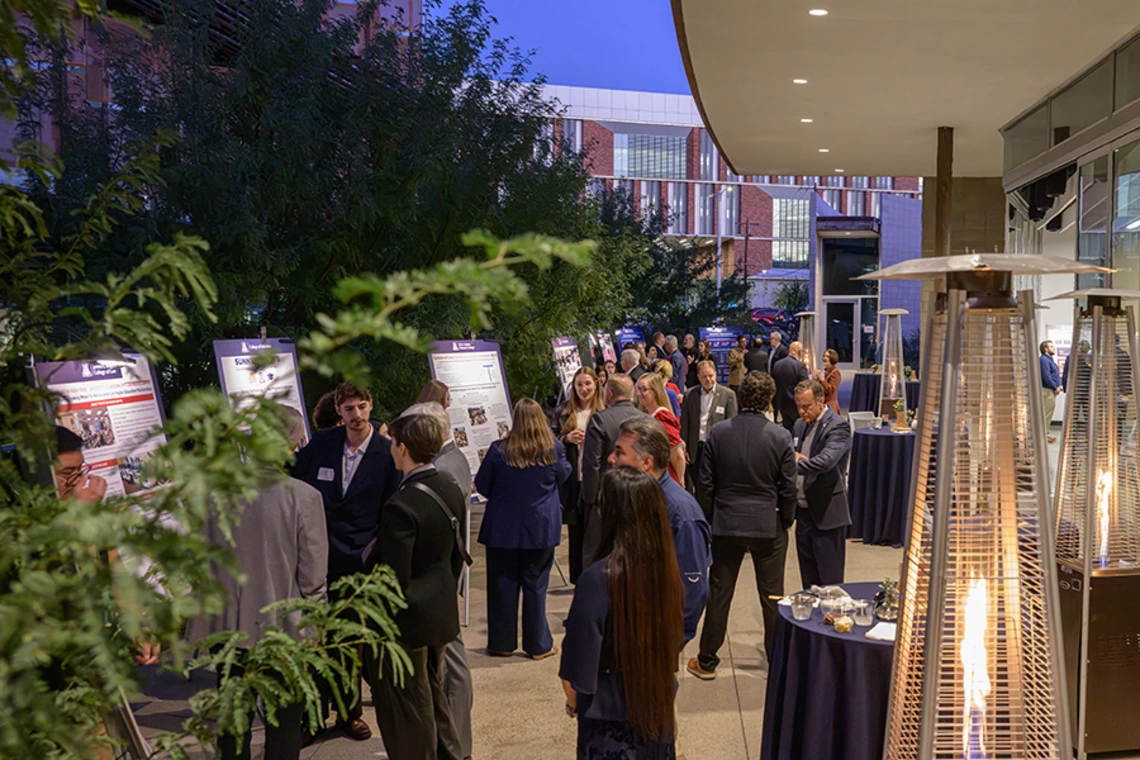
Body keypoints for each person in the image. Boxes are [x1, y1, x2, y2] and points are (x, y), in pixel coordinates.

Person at [203, 406, 327, 760]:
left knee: (233, 721)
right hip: (285, 629)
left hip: (230, 625)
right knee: (285, 722)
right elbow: (313, 575)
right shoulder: (305, 497)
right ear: (294, 443)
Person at [291, 381, 399, 741]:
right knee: (311, 639)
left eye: (363, 407)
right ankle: (311, 717)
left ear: (371, 406)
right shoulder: (321, 445)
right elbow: (293, 483)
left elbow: (391, 509)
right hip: (314, 557)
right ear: (338, 410)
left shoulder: (386, 453)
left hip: (359, 563)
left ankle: (349, 713)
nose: (357, 415)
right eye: (349, 408)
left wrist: (376, 554)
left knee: (350, 642)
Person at [559, 467, 684, 759]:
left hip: (608, 721)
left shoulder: (597, 578)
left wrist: (573, 703)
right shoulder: (666, 571)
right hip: (657, 709)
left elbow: (577, 664)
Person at [368, 413, 467, 760]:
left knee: (410, 708)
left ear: (402, 448)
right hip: (440, 609)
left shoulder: (402, 504)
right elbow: (457, 551)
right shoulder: (449, 484)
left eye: (393, 442)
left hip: (408, 622)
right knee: (433, 693)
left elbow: (393, 579)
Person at [689, 372, 797, 678]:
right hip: (768, 524)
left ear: (742, 395)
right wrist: (785, 521)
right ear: (769, 400)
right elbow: (788, 488)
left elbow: (705, 485)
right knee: (772, 597)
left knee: (719, 593)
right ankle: (777, 664)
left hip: (726, 523)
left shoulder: (719, 433)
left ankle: (707, 660)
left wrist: (710, 520)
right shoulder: (780, 436)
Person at [402, 401, 474, 760]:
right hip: (445, 581)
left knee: (453, 668)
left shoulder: (442, 469)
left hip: (439, 586)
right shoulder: (454, 458)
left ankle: (457, 743)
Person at [474, 399, 571, 658]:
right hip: (540, 527)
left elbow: (482, 485)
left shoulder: (498, 450)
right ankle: (538, 645)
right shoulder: (554, 449)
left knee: (501, 585)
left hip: (502, 528)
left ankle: (501, 643)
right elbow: (563, 476)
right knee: (536, 585)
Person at [608, 417, 710, 643]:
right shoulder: (636, 496)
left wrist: (668, 646)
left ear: (646, 462)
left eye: (619, 453)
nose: (611, 459)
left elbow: (693, 591)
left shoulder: (681, 514)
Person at [580, 375, 647, 563]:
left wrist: (590, 499)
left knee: (598, 553)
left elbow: (592, 463)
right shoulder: (647, 420)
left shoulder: (599, 419)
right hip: (639, 494)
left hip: (605, 497)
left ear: (609, 393)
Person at [792, 380, 852, 587]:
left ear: (820, 401)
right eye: (798, 406)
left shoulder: (838, 426)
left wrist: (793, 462)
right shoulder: (799, 425)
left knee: (831, 585)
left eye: (806, 406)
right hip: (803, 514)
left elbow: (825, 462)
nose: (801, 411)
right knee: (808, 584)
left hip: (828, 515)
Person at [553, 368, 605, 583]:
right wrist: (566, 438)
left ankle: (595, 578)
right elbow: (551, 440)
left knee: (596, 532)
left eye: (587, 384)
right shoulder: (563, 411)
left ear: (595, 385)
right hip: (572, 478)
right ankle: (578, 580)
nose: (584, 389)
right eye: (579, 385)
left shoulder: (603, 411)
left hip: (596, 477)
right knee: (575, 532)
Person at [679, 359, 738, 498]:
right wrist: (684, 447)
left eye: (711, 375)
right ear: (698, 376)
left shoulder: (728, 395)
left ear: (716, 374)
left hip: (715, 449)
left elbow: (731, 426)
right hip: (695, 449)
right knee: (698, 487)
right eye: (704, 376)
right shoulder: (690, 395)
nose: (708, 379)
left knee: (714, 487)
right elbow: (685, 423)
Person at [635, 372, 685, 486]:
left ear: (656, 391)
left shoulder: (662, 416)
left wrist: (680, 481)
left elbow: (677, 454)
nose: (639, 394)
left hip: (664, 478)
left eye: (644, 389)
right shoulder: (646, 413)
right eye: (638, 389)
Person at [771, 341, 809, 432]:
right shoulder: (800, 366)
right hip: (796, 404)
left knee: (787, 429)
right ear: (799, 352)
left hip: (781, 403)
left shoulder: (777, 364)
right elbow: (806, 385)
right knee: (799, 431)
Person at [1040, 340, 1062, 443]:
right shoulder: (1044, 360)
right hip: (1048, 390)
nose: (1054, 348)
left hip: (1050, 390)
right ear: (1046, 349)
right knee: (1046, 413)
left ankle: (1045, 433)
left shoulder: (1049, 360)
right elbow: (1046, 376)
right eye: (1051, 347)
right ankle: (1044, 435)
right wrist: (1054, 387)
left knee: (1048, 412)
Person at [814, 348, 842, 416]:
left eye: (827, 356)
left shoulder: (835, 372)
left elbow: (831, 391)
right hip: (822, 404)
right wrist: (815, 378)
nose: (825, 358)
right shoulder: (824, 370)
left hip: (830, 406)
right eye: (824, 356)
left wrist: (823, 379)